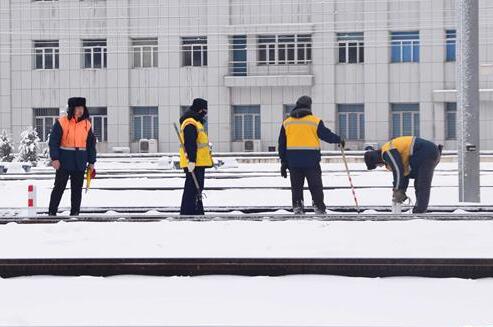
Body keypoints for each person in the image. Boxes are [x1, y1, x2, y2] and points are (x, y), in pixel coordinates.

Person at [278, 96, 344, 215]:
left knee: (296, 187)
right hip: (311, 161)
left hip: (293, 162)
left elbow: (281, 144)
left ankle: (297, 206)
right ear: (309, 106)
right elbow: (326, 135)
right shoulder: (314, 121)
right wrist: (338, 140)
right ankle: (318, 207)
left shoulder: (287, 123)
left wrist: (283, 162)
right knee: (315, 185)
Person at [364, 136, 442, 213]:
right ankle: (419, 211)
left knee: (422, 184)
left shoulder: (387, 152)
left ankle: (420, 212)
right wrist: (400, 190)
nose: (380, 166)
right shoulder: (388, 151)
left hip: (426, 152)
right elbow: (404, 174)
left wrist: (398, 190)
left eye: (377, 165)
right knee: (419, 183)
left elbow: (398, 171)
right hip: (427, 153)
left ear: (375, 160)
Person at [48, 97, 97, 216]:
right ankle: (52, 212)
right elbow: (53, 141)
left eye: (82, 108)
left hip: (79, 161)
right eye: (77, 108)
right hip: (64, 161)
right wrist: (55, 158)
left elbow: (91, 145)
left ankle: (75, 213)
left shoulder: (87, 124)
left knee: (76, 189)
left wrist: (91, 162)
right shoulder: (62, 122)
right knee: (59, 187)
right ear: (71, 109)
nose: (80, 110)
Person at [179, 98, 213, 215]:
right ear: (199, 110)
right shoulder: (190, 123)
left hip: (198, 162)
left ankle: (196, 211)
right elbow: (190, 143)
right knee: (192, 188)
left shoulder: (195, 121)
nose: (206, 113)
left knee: (196, 188)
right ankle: (189, 213)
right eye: (205, 111)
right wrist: (192, 161)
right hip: (194, 163)